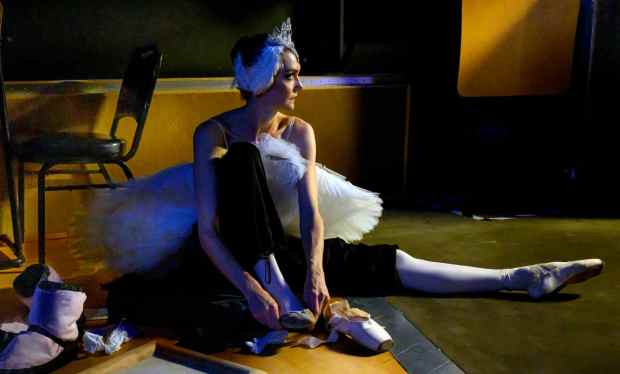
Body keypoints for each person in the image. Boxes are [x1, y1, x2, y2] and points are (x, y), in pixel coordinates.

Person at [92, 19, 604, 338]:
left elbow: (312, 214)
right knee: (243, 161)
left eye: (297, 72)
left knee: (385, 261)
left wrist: (315, 270)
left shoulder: (300, 133)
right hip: (231, 257)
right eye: (290, 74)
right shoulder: (215, 134)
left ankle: (521, 277)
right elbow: (208, 232)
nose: (299, 83)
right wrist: (250, 288)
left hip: (289, 248)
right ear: (261, 80)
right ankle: (273, 282)